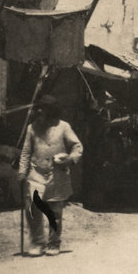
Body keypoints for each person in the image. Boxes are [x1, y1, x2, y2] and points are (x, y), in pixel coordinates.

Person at [18, 95, 83, 257]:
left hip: (57, 175)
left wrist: (69, 159)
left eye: (43, 109)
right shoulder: (32, 128)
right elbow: (26, 152)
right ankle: (37, 242)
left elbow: (77, 146)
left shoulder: (63, 127)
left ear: (52, 110)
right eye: (39, 108)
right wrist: (22, 171)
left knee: (55, 212)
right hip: (36, 173)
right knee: (33, 208)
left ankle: (54, 243)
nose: (40, 111)